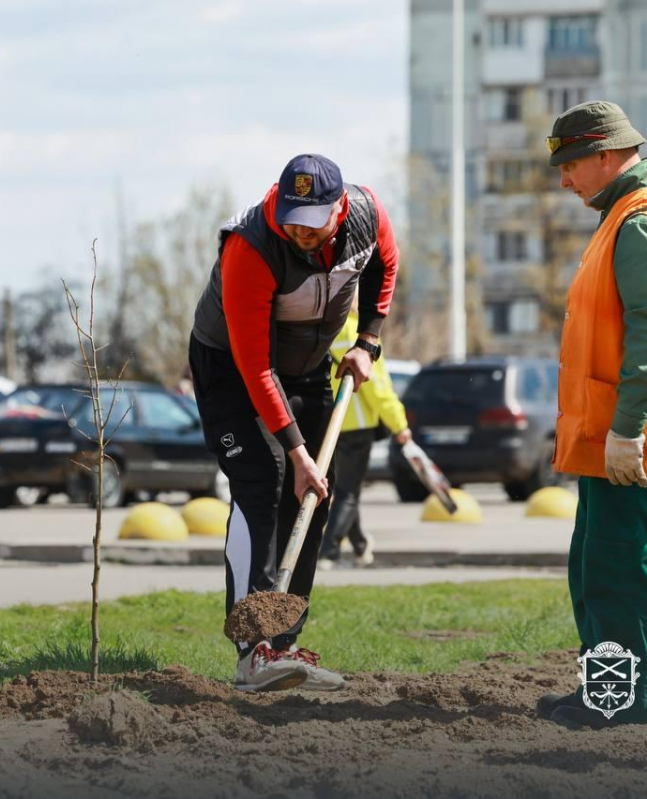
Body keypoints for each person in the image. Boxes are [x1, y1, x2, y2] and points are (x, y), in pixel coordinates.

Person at [189, 153, 399, 692]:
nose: (299, 233)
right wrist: (298, 453)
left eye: (312, 223)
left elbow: (384, 268)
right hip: (233, 369)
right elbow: (255, 368)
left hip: (305, 364)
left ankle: (283, 646)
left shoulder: (367, 215)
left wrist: (368, 342)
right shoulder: (252, 247)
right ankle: (251, 648)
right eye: (291, 220)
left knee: (314, 496)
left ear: (339, 209)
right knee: (264, 480)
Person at [535, 101, 647, 730]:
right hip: (611, 439)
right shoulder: (623, 216)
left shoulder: (642, 221)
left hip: (630, 441)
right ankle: (608, 696)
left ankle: (638, 706)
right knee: (599, 568)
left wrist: (628, 430)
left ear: (606, 154)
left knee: (624, 573)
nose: (565, 180)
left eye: (571, 165)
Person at [317, 309, 411, 570]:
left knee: (344, 486)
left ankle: (359, 544)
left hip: (330, 426)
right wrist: (399, 425)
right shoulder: (361, 334)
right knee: (348, 491)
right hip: (357, 425)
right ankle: (329, 551)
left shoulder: (325, 328)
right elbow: (377, 388)